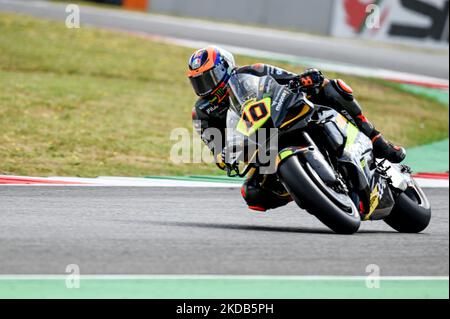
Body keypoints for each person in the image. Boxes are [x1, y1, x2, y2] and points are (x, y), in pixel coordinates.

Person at [187, 46, 406, 211]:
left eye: (209, 77)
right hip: (260, 147)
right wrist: (225, 156)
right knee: (252, 195)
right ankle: (305, 187)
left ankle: (377, 140)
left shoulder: (252, 71)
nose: (206, 86)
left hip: (286, 114)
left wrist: (305, 79)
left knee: (332, 87)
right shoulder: (202, 112)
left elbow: (289, 78)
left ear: (224, 68)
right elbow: (216, 146)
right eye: (199, 82)